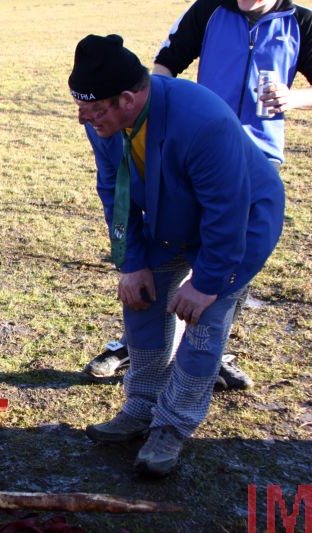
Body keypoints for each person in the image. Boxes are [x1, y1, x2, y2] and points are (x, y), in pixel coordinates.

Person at [70, 34, 284, 475]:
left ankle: (172, 424)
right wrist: (132, 263)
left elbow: (227, 211)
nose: (83, 119)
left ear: (127, 99)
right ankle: (142, 405)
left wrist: (206, 284)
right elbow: (114, 190)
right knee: (140, 302)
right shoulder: (104, 123)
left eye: (93, 110)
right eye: (81, 108)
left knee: (204, 323)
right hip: (168, 218)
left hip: (237, 226)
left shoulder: (202, 121)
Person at [84, 0, 312, 389]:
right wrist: (152, 113)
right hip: (184, 148)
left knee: (223, 261)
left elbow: (229, 222)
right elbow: (163, 65)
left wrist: (294, 98)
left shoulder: (301, 24)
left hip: (253, 153)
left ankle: (207, 350)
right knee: (164, 260)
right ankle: (139, 348)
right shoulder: (209, 11)